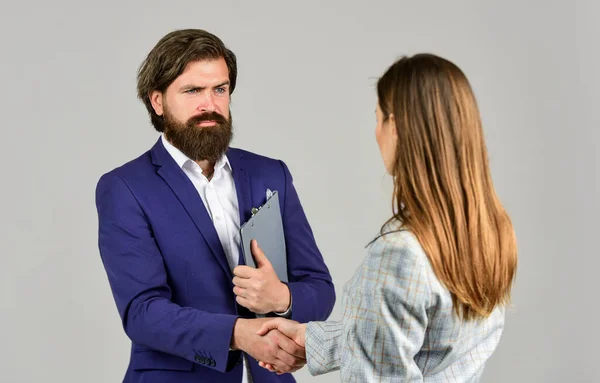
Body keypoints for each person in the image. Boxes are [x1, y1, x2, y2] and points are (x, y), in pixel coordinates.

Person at [256, 53, 518, 381]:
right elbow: (432, 345)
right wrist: (315, 340)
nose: (376, 132)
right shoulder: (491, 231)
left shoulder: (401, 254)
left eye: (378, 118)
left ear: (396, 126)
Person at [94, 28, 336, 383]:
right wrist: (238, 334)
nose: (210, 104)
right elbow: (142, 313)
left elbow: (320, 289)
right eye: (192, 91)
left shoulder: (271, 174)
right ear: (157, 101)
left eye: (220, 89)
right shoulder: (125, 188)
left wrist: (281, 296)